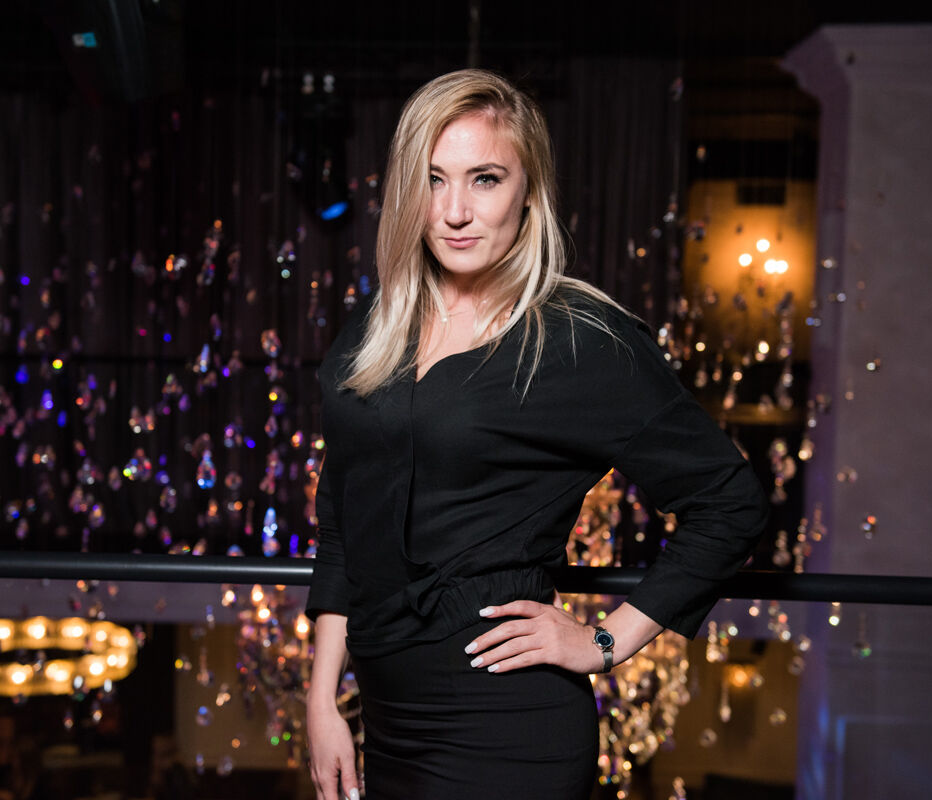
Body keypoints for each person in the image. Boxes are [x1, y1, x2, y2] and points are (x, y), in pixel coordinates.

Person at [304, 68, 768, 800]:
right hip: (387, 722)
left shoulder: (579, 340)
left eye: (485, 179)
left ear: (529, 192)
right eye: (433, 180)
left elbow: (729, 502)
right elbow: (343, 513)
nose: (454, 211)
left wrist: (605, 641)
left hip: (508, 726)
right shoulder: (380, 321)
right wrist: (322, 697)